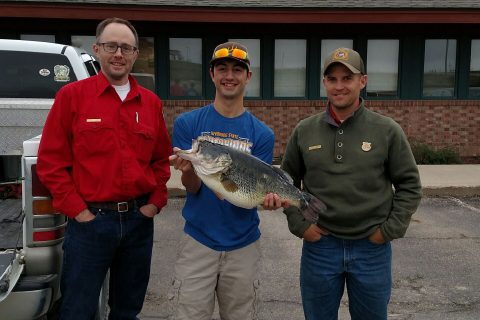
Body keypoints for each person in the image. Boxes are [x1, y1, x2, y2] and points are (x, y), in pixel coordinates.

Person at [37, 17, 171, 319]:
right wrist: (79, 211)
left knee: (127, 309)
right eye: (111, 46)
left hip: (138, 222)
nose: (119, 54)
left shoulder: (150, 104)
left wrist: (154, 203)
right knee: (77, 309)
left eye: (126, 47)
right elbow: (51, 162)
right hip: (90, 224)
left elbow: (161, 160)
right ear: (97, 49)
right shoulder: (72, 97)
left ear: (136, 54)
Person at [280, 47, 422, 320]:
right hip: (320, 246)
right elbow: (285, 182)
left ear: (363, 81)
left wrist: (388, 230)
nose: (339, 86)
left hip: (371, 249)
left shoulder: (387, 130)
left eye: (347, 78)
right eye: (332, 79)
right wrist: (301, 226)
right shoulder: (304, 130)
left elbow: (410, 185)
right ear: (324, 83)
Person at [168, 41, 283, 320]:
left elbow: (250, 195)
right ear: (212, 74)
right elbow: (193, 189)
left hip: (243, 244)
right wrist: (187, 171)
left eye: (237, 69)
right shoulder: (188, 124)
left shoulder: (262, 134)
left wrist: (268, 200)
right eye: (222, 68)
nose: (229, 75)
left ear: (248, 76)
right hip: (199, 241)